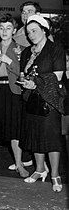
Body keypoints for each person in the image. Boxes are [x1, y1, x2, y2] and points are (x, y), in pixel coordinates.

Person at [18, 15, 66, 192]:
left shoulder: (55, 49)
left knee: (51, 139)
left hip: (50, 100)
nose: (31, 35)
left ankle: (54, 174)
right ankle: (39, 169)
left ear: (44, 30)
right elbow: (24, 74)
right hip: (31, 99)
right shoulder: (26, 52)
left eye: (34, 31)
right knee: (35, 136)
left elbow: (58, 76)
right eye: (28, 32)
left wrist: (35, 83)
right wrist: (25, 82)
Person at [0, 14, 29, 178]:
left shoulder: (21, 51)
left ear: (14, 30)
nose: (4, 31)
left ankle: (19, 163)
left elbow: (23, 73)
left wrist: (9, 61)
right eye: (1, 28)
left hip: (13, 92)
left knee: (15, 131)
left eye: (8, 28)